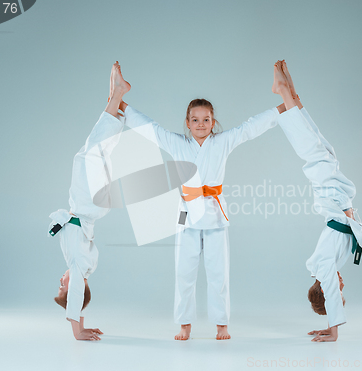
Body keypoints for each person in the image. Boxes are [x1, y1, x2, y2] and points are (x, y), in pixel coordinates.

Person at [119, 78, 287, 341]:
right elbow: (150, 129)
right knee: (184, 271)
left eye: (206, 119)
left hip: (215, 216)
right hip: (186, 214)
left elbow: (249, 128)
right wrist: (121, 105)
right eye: (195, 120)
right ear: (187, 123)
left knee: (218, 272)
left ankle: (222, 324)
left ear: (213, 122)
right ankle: (184, 323)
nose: (200, 125)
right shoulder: (177, 143)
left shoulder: (222, 142)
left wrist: (280, 108)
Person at [272, 60, 362, 342]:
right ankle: (292, 93)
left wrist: (333, 330)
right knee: (320, 146)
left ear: (327, 289)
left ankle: (283, 93)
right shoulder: (331, 262)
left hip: (331, 194)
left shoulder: (325, 266)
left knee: (312, 148)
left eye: (338, 290)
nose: (342, 286)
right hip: (337, 192)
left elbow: (332, 295)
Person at [48, 62, 131, 341]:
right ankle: (116, 96)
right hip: (87, 204)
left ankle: (114, 101)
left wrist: (84, 321)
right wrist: (77, 331)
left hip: (96, 207)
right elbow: (76, 296)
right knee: (89, 153)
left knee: (100, 152)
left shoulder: (85, 267)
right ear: (75, 287)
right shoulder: (78, 266)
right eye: (63, 288)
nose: (60, 281)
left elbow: (79, 297)